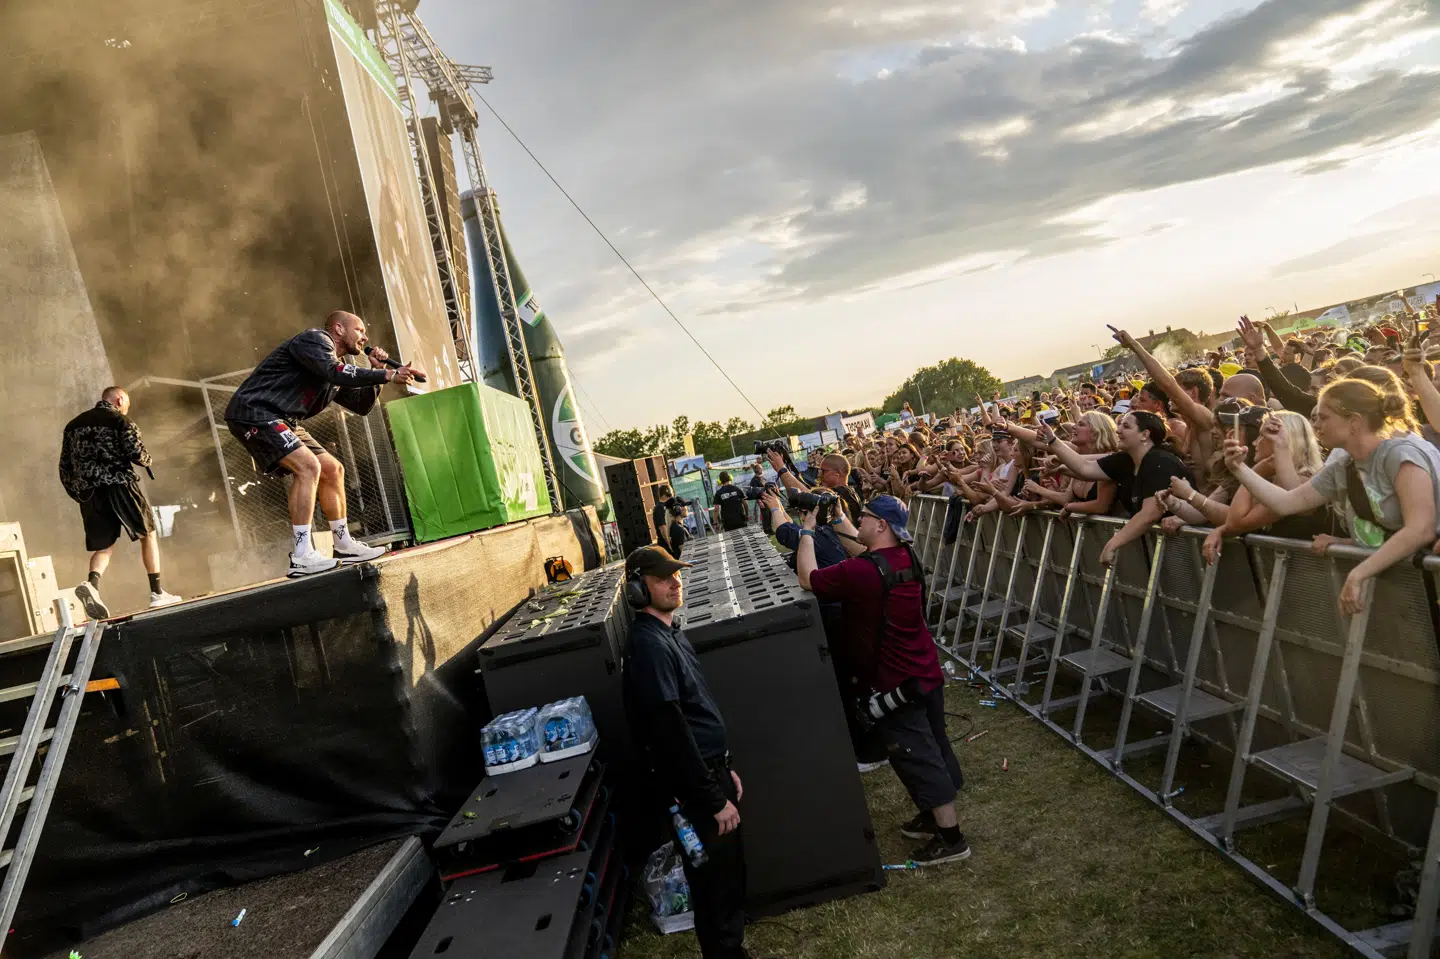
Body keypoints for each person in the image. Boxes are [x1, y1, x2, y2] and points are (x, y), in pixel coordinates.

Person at [796, 495, 970, 867]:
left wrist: (806, 532)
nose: (858, 521)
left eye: (865, 517)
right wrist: (840, 517)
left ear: (881, 526)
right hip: (925, 671)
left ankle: (951, 838)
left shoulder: (862, 572)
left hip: (895, 682)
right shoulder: (906, 556)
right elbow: (863, 546)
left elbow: (808, 578)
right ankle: (931, 816)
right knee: (934, 745)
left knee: (917, 754)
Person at [622, 547, 762, 959]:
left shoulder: (668, 634)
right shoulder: (648, 647)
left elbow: (696, 712)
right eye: (662, 577)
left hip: (708, 774)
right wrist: (710, 795)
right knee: (715, 882)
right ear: (636, 588)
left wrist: (724, 765)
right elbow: (668, 732)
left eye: (676, 575)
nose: (674, 582)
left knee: (728, 874)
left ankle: (732, 949)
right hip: (695, 789)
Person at [224, 311, 421, 576]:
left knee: (332, 469)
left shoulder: (335, 367)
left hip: (285, 419)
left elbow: (361, 406)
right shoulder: (315, 340)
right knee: (308, 467)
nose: (365, 337)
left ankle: (343, 545)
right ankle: (302, 555)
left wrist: (377, 370)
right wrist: (386, 376)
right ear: (339, 329)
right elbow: (335, 372)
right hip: (255, 411)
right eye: (360, 330)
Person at [1223, 376, 1440, 614]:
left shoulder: (1400, 455)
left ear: (1354, 422)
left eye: (1324, 417)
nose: (1315, 425)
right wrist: (1238, 469)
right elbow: (1287, 503)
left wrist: (1360, 573)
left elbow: (1421, 528)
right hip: (1414, 587)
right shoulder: (1345, 466)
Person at [60, 387, 182, 618]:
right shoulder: (120, 421)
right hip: (119, 484)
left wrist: (76, 492)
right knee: (148, 533)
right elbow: (136, 453)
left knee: (104, 545)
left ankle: (92, 585)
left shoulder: (73, 425)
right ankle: (157, 593)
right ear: (120, 399)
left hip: (89, 492)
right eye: (127, 404)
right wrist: (148, 459)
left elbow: (64, 466)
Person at [1037, 411, 1194, 566]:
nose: (1118, 430)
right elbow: (1084, 468)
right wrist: (1052, 440)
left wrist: (1112, 544)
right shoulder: (1127, 459)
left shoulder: (1158, 461)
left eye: (1126, 426)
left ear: (1144, 434)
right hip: (1159, 548)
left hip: (1185, 549)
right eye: (1119, 425)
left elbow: (1150, 513)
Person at [652, 485, 676, 551]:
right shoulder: (660, 508)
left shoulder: (664, 506)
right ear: (665, 495)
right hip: (665, 543)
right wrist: (669, 545)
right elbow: (663, 527)